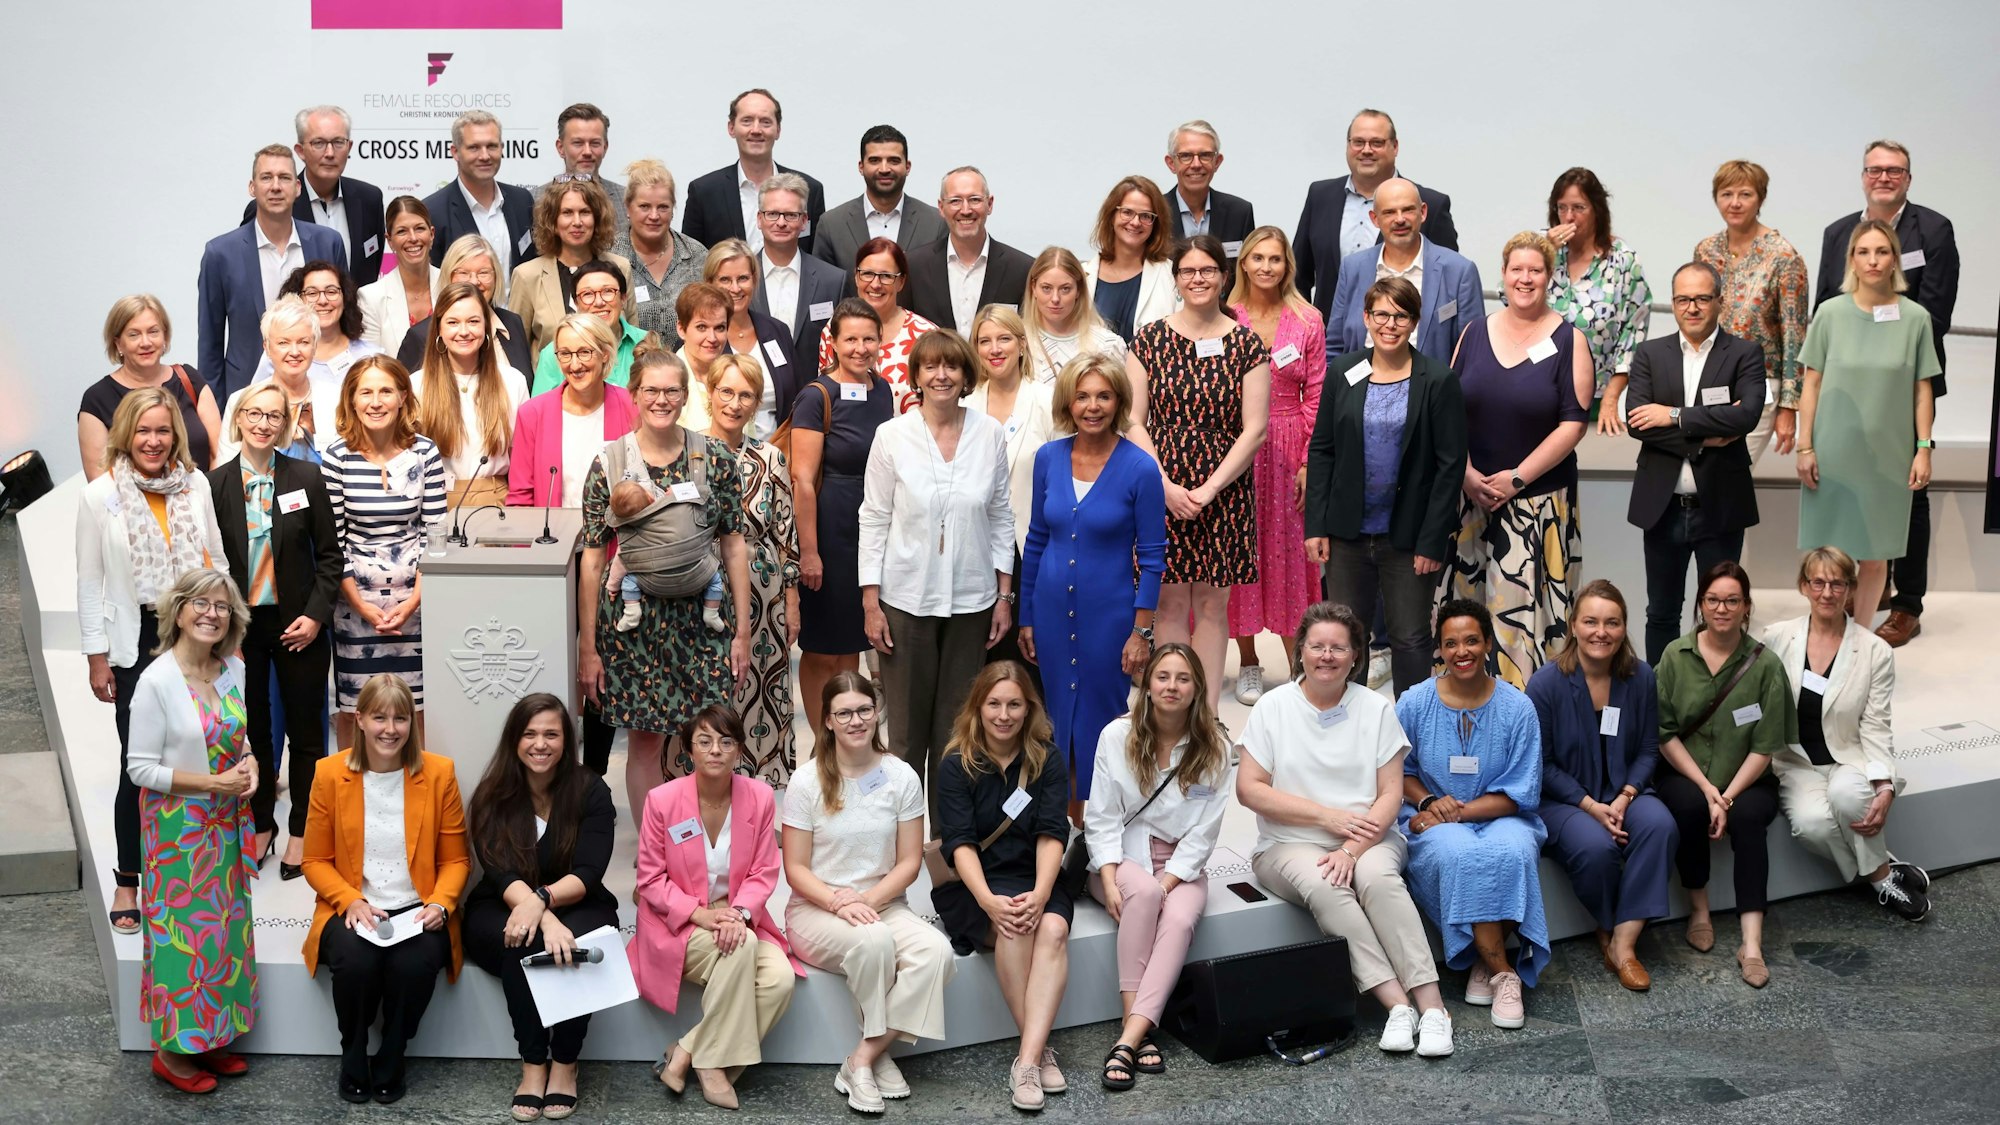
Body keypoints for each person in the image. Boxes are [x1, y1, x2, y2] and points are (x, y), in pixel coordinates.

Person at [1236, 602, 1451, 1057]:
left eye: (1338, 647)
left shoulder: (1374, 708)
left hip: (1370, 838)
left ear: (1356, 655)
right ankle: (1397, 1005)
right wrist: (1325, 818)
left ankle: (1433, 1010)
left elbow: (1390, 794)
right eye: (1317, 646)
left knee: (1378, 880)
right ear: (1300, 650)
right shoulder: (1274, 707)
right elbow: (1249, 789)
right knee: (1327, 884)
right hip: (1288, 843)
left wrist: (1351, 849)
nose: (1327, 656)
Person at [577, 348, 752, 815]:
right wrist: (588, 645)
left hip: (703, 618)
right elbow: (592, 559)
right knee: (645, 743)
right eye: (651, 390)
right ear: (634, 394)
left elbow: (734, 545)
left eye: (672, 390)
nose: (662, 400)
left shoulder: (714, 458)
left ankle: (705, 847)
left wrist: (743, 631)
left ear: (686, 395)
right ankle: (655, 850)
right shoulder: (608, 464)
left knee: (712, 738)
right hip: (636, 625)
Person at [77, 388, 227, 932]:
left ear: (175, 434)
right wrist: (97, 658)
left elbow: (216, 558)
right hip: (135, 639)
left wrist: (227, 632)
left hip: (196, 632)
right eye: (143, 430)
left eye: (163, 430)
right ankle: (128, 880)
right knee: (137, 762)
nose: (153, 440)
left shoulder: (196, 484)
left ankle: (192, 866)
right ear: (125, 434)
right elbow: (89, 583)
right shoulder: (100, 496)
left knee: (198, 750)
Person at [781, 673, 955, 1113]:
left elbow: (909, 862)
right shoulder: (806, 782)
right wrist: (837, 902)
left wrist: (867, 901)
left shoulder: (901, 776)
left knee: (937, 952)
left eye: (864, 710)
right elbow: (795, 869)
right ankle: (876, 1059)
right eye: (844, 713)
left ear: (877, 713)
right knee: (874, 941)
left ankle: (864, 1056)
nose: (856, 721)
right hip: (816, 908)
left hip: (882, 903)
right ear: (827, 721)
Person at [859, 329, 1015, 814]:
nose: (941, 375)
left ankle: (950, 837)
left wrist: (1004, 595)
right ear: (917, 376)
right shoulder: (892, 435)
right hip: (905, 599)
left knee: (958, 729)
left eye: (951, 366)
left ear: (967, 375)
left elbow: (1001, 515)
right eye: (930, 366)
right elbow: (874, 517)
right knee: (906, 732)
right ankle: (902, 830)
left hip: (972, 599)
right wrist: (870, 601)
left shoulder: (989, 433)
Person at [1813, 141, 1960, 648]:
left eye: (1894, 170)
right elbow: (1826, 305)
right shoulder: (1837, 232)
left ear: (1908, 178)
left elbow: (1936, 313)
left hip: (1904, 381)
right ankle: (1865, 588)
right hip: (1847, 387)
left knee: (1907, 492)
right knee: (1852, 489)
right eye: (1875, 169)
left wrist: (1880, 347)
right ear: (1862, 176)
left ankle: (1906, 604)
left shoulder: (1933, 229)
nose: (1884, 177)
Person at [299, 672, 468, 1105]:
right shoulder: (329, 773)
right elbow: (314, 860)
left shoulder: (439, 773)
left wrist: (441, 904)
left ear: (412, 722)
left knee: (414, 967)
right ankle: (353, 1051)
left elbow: (455, 861)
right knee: (355, 964)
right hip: (354, 905)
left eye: (400, 718)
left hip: (417, 907)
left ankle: (394, 1050)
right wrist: (349, 900)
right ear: (359, 719)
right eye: (379, 718)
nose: (390, 729)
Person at [124, 568, 259, 1093]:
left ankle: (210, 1038)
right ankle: (172, 1055)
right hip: (177, 833)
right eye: (200, 603)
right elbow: (140, 769)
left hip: (225, 826)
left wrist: (248, 764)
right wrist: (212, 783)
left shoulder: (232, 669)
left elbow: (240, 738)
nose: (211, 613)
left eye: (222, 606)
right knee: (182, 942)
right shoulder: (156, 681)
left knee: (222, 935)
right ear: (178, 612)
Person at [633, 705, 802, 1111]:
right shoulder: (662, 800)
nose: (715, 750)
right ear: (689, 749)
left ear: (739, 750)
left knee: (779, 979)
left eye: (726, 742)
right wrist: (700, 914)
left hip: (735, 913)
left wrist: (740, 913)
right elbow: (650, 879)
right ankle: (712, 1068)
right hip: (676, 921)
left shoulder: (759, 797)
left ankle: (689, 1051)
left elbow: (763, 870)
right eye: (704, 741)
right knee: (742, 945)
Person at [1305, 277, 1467, 697]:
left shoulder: (1438, 380)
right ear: (1365, 318)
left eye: (1401, 316)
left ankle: (1411, 728)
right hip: (1347, 533)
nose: (1390, 324)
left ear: (1414, 321)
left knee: (1410, 638)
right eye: (1381, 314)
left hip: (1409, 537)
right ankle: (1348, 723)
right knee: (1345, 637)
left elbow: (1449, 468)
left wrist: (1432, 540)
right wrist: (1316, 525)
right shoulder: (1343, 372)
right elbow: (1322, 450)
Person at [1128, 234, 1270, 707]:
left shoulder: (1246, 343)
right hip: (1159, 483)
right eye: (1188, 271)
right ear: (1176, 279)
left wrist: (1209, 489)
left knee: (1212, 603)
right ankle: (1173, 711)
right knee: (1168, 601)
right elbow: (1133, 420)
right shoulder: (1149, 339)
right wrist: (1164, 487)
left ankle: (1206, 718)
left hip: (1224, 489)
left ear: (1224, 277)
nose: (1198, 279)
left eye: (1208, 270)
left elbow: (1255, 428)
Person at [1020, 353, 1166, 814]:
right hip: (1050, 616)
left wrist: (1141, 631)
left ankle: (1098, 827)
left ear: (1119, 401)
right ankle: (1060, 827)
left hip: (1109, 621)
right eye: (1082, 396)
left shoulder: (1140, 467)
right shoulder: (1048, 458)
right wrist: (1026, 617)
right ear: (1068, 402)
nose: (1093, 406)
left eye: (1104, 396)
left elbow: (1153, 558)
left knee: (1101, 725)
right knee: (1057, 721)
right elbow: (1036, 539)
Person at [1446, 231, 1593, 688]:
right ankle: (1465, 704)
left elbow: (1573, 424)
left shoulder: (1570, 340)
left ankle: (1522, 711)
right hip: (1470, 502)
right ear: (1504, 274)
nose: (1525, 279)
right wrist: (1467, 474)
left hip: (1536, 505)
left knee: (1522, 623)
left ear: (1550, 277)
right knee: (1466, 618)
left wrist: (1516, 479)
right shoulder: (1473, 332)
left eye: (1535, 270)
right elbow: (1446, 409)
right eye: (1517, 269)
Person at [463, 694, 620, 1121]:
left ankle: (565, 1062)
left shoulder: (591, 790)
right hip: (503, 902)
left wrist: (543, 901)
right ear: (514, 739)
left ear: (566, 740)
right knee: (522, 939)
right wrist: (543, 917)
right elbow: (499, 874)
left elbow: (589, 872)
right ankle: (534, 1063)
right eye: (530, 734)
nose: (540, 744)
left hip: (577, 899)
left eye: (551, 734)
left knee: (577, 945)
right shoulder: (493, 794)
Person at [208, 382, 341, 879]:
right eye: (255, 414)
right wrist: (225, 634)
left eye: (274, 416)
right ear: (239, 418)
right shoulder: (215, 485)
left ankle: (303, 831)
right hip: (242, 629)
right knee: (255, 733)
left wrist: (316, 616)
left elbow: (330, 557)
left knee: (307, 735)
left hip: (299, 622)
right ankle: (261, 822)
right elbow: (210, 566)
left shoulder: (306, 477)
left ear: (285, 424)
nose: (263, 424)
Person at [1398, 599, 1550, 1029]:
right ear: (1440, 649)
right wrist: (1429, 803)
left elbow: (1521, 792)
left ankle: (1485, 962)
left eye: (1471, 641)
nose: (1461, 651)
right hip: (1431, 819)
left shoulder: (1518, 707)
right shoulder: (1414, 703)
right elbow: (1397, 772)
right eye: (1451, 643)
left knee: (1513, 850)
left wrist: (1452, 812)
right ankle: (1504, 973)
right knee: (1461, 855)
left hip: (1500, 815)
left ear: (1487, 644)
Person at [1086, 644, 1233, 1088]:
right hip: (1121, 857)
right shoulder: (1116, 735)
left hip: (1180, 865)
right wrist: (1109, 879)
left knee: (1180, 918)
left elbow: (1204, 832)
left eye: (1183, 679)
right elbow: (1101, 817)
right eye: (1163, 676)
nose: (1172, 686)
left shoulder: (1215, 746)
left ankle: (1129, 1036)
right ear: (1147, 684)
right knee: (1144, 894)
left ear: (1197, 688)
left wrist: (1168, 881)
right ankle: (1139, 1028)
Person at [931, 662, 1074, 1112]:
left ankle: (1026, 1060)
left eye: (1014, 704)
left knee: (1053, 929)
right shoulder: (955, 764)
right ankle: (1038, 1056)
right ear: (978, 707)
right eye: (994, 703)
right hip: (978, 883)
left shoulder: (1047, 759)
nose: (1004, 715)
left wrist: (1043, 892)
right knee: (1014, 926)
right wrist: (988, 901)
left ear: (1029, 708)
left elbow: (1053, 832)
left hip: (1036, 875)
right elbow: (960, 843)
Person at [1525, 581, 1676, 992]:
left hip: (1626, 791)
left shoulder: (1641, 677)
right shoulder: (1545, 684)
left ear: (1624, 628)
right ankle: (1610, 924)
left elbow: (1648, 748)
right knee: (1596, 848)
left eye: (1612, 623)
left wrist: (1626, 796)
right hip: (1563, 800)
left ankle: (1622, 944)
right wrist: (1591, 806)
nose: (1601, 632)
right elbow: (1542, 764)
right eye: (1590, 621)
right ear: (1573, 625)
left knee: (1660, 826)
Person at [1764, 547, 1930, 919]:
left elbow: (1876, 725)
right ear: (1803, 586)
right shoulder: (1776, 637)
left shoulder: (1875, 651)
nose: (1827, 592)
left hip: (1847, 756)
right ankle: (1883, 869)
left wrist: (1884, 784)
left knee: (1848, 797)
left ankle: (1883, 883)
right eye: (1818, 582)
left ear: (1851, 589)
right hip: (1796, 762)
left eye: (1837, 584)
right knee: (1811, 826)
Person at [1796, 220, 1941, 629]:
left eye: (1882, 251)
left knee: (1876, 555)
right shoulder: (1830, 313)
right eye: (1863, 252)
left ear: (1895, 259)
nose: (1873, 260)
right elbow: (1811, 384)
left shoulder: (1915, 318)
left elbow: (1922, 390)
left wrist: (1924, 448)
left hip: (1889, 455)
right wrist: (1805, 446)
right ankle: (1825, 636)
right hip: (1833, 451)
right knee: (1827, 554)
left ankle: (1859, 640)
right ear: (1852, 260)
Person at [1653, 562, 1791, 988]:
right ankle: (1699, 909)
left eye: (1732, 600)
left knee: (1749, 819)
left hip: (1747, 779)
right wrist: (1708, 790)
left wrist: (1727, 796)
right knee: (1688, 806)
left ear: (1747, 606)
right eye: (1713, 599)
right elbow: (1664, 733)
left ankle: (1751, 942)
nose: (1722, 608)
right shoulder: (1675, 656)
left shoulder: (1766, 666)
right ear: (1700, 604)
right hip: (1687, 772)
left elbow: (1765, 747)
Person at [1624, 262, 1767, 664]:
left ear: (1720, 301)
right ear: (1672, 304)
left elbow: (1746, 416)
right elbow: (1637, 422)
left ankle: (1716, 693)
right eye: (1683, 299)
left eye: (1702, 298)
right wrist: (1707, 435)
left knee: (1721, 615)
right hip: (1663, 508)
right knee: (1661, 612)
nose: (1692, 307)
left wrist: (1673, 416)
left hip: (1720, 507)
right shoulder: (1650, 354)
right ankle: (1661, 691)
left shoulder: (1744, 353)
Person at [321, 356, 446, 754]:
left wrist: (413, 603)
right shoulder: (337, 456)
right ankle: (352, 786)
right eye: (366, 392)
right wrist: (362, 607)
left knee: (416, 705)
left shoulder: (425, 452)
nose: (376, 402)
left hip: (417, 599)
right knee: (354, 707)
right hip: (355, 603)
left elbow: (435, 535)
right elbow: (332, 541)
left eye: (386, 391)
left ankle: (417, 784)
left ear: (403, 397)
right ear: (352, 400)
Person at [1225, 226, 1325, 703]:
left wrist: (1308, 462)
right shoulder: (1226, 317)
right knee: (1240, 551)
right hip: (1236, 447)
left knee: (1290, 554)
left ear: (1288, 266)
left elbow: (1317, 395)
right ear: (1243, 263)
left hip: (1288, 445)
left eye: (1275, 259)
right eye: (1258, 258)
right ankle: (1248, 662)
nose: (1266, 267)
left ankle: (1298, 666)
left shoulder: (1307, 320)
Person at [790, 300, 898, 733]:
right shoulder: (816, 395)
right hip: (829, 528)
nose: (860, 347)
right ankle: (823, 742)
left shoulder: (883, 390)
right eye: (850, 338)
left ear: (880, 341)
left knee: (851, 642)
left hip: (871, 527)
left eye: (868, 338)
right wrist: (809, 552)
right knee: (822, 647)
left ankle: (845, 736)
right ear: (833, 342)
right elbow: (802, 479)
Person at [698, 353, 800, 784]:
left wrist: (791, 601)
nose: (734, 404)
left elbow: (786, 534)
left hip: (763, 592)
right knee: (706, 692)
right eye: (726, 392)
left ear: (757, 403)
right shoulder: (689, 451)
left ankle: (756, 792)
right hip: (700, 586)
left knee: (757, 689)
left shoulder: (771, 457)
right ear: (709, 393)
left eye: (745, 395)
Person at [199, 144, 346, 399]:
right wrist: (216, 410)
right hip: (247, 394)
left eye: (284, 178)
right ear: (252, 187)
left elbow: (345, 322)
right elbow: (210, 344)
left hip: (320, 391)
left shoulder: (328, 243)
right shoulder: (220, 254)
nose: (275, 186)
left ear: (297, 188)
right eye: (266, 177)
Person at [1693, 160, 1810, 461]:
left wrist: (1789, 408)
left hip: (1758, 385)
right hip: (1707, 379)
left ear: (1760, 199)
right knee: (1704, 470)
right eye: (1726, 194)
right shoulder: (1706, 250)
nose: (1735, 203)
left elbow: (1795, 338)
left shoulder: (1784, 257)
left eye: (1745, 194)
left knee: (1734, 472)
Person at [1295, 109, 1459, 319]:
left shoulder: (1429, 204)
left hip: (1404, 333)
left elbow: (1448, 281)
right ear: (1348, 146)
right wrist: (1305, 327)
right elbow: (1298, 276)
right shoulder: (1320, 196)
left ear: (1395, 147)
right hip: (1331, 334)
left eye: (1376, 143)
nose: (1366, 150)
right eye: (1358, 142)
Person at [968, 304, 1054, 681]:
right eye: (984, 341)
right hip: (975, 551)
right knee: (982, 665)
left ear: (1021, 344)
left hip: (1032, 549)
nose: (994, 349)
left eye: (1003, 338)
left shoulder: (1047, 400)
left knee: (1028, 663)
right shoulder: (964, 403)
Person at [1324, 178, 1484, 366]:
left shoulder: (1460, 272)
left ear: (1423, 212)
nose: (1399, 219)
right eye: (1389, 212)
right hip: (1359, 382)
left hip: (1432, 384)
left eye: (1408, 210)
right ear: (1374, 219)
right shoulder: (1353, 268)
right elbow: (1334, 347)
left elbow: (1473, 352)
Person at [1543, 168, 1652, 431]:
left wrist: (1612, 397)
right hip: (1538, 388)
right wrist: (1544, 251)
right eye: (1562, 208)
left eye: (1579, 208)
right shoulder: (1543, 251)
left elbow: (1633, 334)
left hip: (1594, 396)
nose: (1569, 217)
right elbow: (1510, 297)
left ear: (1597, 210)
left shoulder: (1622, 260)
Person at [410, 282, 530, 506]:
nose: (464, 331)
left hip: (497, 503)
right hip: (435, 503)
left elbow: (522, 459)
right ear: (439, 329)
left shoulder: (513, 381)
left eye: (473, 321)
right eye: (453, 322)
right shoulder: (417, 384)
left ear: (486, 326)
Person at [240, 105, 385, 285]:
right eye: (319, 143)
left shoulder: (369, 199)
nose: (330, 153)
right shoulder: (272, 205)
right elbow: (250, 276)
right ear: (300, 151)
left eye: (338, 142)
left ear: (349, 147)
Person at [80, 295, 222, 478]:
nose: (146, 342)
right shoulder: (97, 399)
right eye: (134, 334)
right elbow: (100, 481)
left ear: (165, 337)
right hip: (133, 498)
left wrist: (207, 493)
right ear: (118, 343)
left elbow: (219, 454)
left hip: (204, 494)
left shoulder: (189, 379)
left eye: (153, 332)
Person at [507, 312, 639, 509]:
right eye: (565, 354)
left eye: (585, 352)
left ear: (605, 353)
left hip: (617, 527)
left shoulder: (631, 405)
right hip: (552, 528)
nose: (575, 365)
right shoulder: (533, 414)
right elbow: (521, 497)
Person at [681, 88, 827, 254]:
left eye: (765, 122)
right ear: (731, 128)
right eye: (747, 121)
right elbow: (691, 262)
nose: (756, 130)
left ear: (778, 130)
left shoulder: (810, 190)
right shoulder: (704, 192)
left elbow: (817, 259)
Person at [507, 177, 635, 360]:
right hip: (550, 377)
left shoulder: (620, 267)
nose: (577, 222)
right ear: (553, 221)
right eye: (567, 213)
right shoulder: (527, 275)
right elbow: (515, 350)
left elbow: (632, 339)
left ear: (597, 219)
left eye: (585, 212)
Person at [904, 167, 1037, 335]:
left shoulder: (1022, 269)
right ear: (941, 207)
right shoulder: (914, 266)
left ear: (990, 204)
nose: (966, 210)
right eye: (955, 201)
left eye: (974, 200)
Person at [248, 261, 380, 429]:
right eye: (312, 293)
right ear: (298, 298)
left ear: (345, 297)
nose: (323, 300)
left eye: (331, 292)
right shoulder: (276, 355)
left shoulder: (372, 356)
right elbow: (254, 408)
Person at [423, 110, 538, 299]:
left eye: (491, 146)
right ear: (455, 152)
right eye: (474, 148)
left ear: (501, 148)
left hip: (520, 317)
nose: (485, 156)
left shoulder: (522, 201)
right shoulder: (432, 212)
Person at [819, 238, 939, 411]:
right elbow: (825, 395)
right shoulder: (834, 329)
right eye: (867, 274)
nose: (875, 284)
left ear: (901, 282)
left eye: (886, 276)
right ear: (856, 277)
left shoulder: (926, 335)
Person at [813, 124, 948, 272]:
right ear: (861, 167)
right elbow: (823, 283)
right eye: (874, 160)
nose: (884, 169)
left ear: (907, 167)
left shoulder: (936, 223)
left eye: (894, 160)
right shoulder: (831, 225)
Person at [705, 240, 804, 435]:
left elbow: (797, 398)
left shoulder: (777, 331)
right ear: (710, 284)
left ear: (754, 280)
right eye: (725, 280)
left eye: (743, 278)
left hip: (777, 449)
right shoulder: (701, 338)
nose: (735, 288)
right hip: (717, 449)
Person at [738, 173, 845, 356]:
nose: (781, 223)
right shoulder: (738, 278)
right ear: (759, 219)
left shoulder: (833, 281)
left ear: (804, 221)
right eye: (772, 214)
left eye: (790, 215)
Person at [398, 234, 535, 375]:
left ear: (496, 277)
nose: (474, 281)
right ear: (448, 276)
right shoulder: (421, 336)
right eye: (463, 273)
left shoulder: (512, 323)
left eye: (483, 273)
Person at [615, 158, 707, 349]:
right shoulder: (609, 257)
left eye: (663, 207)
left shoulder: (697, 256)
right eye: (644, 206)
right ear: (628, 208)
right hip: (626, 367)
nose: (654, 216)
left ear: (673, 209)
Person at [526, 258, 650, 396]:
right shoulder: (555, 352)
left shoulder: (647, 342)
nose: (599, 302)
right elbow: (541, 406)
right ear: (576, 303)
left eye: (608, 291)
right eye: (587, 294)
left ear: (623, 298)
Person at [1081, 176, 1179, 342]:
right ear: (1111, 215)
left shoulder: (1172, 276)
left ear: (1156, 224)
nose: (1135, 222)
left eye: (1146, 216)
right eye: (1127, 212)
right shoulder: (1081, 276)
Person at [1021, 246, 1127, 384]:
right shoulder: (1016, 341)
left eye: (1065, 289)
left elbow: (1122, 396)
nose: (1055, 298)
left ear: (1078, 290)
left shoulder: (1108, 346)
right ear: (1033, 288)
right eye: (1046, 288)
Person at [1162, 120, 1256, 267]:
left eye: (1205, 155)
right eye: (1186, 156)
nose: (1196, 164)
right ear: (1171, 163)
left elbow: (1246, 272)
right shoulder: (1155, 212)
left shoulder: (1239, 213)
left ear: (1217, 162)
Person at [358, 196, 440, 358]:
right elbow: (371, 363)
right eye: (402, 231)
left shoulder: (452, 284)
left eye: (419, 229)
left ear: (431, 234)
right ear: (390, 241)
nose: (413, 238)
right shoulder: (370, 298)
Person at [536, 102, 625, 235]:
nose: (587, 152)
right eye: (578, 143)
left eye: (595, 143)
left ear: (605, 148)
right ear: (561, 148)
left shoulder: (626, 200)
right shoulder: (534, 200)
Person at [670, 281, 731, 430]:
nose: (712, 338)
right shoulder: (665, 381)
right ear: (681, 329)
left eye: (720, 328)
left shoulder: (734, 377)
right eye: (702, 327)